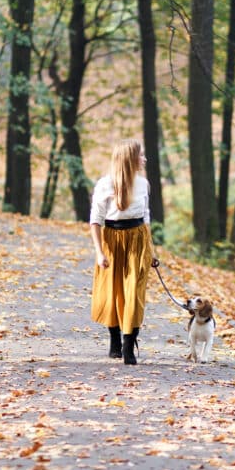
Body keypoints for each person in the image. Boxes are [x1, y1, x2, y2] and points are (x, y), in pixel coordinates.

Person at [89, 138, 154, 365]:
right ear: (129, 159)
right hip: (112, 240)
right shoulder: (105, 185)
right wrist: (100, 253)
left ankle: (129, 344)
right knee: (113, 291)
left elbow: (146, 216)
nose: (144, 159)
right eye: (141, 155)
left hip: (137, 240)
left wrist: (151, 249)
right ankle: (115, 341)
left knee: (134, 292)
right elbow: (95, 221)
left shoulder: (143, 184)